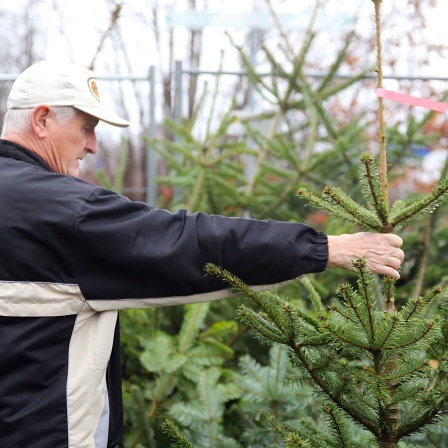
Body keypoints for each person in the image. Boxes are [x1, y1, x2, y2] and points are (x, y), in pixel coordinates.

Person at [0, 60, 404, 448]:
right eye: (86, 127)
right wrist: (326, 247)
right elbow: (190, 243)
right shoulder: (69, 214)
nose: (92, 145)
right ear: (41, 120)